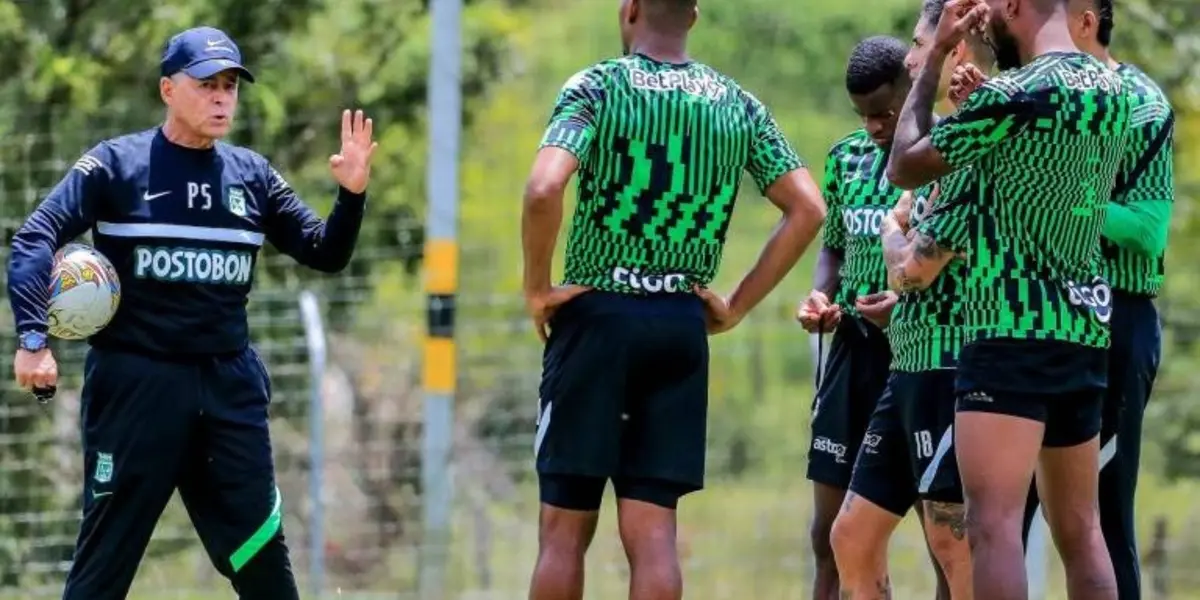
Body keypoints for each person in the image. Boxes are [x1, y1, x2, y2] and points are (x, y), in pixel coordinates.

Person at [7, 26, 376, 600]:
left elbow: (325, 252)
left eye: (230, 85)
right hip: (137, 388)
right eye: (206, 84)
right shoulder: (115, 165)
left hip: (227, 390)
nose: (221, 97)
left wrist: (351, 196)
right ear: (167, 90)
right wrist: (33, 339)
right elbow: (34, 238)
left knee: (264, 567)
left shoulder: (252, 176)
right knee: (101, 572)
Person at [521, 0, 827, 598]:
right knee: (654, 532)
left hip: (596, 318)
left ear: (630, 9)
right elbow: (808, 208)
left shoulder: (598, 86)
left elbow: (542, 188)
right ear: (694, 16)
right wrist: (734, 304)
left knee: (563, 528)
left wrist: (537, 287)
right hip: (679, 327)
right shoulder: (735, 103)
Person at [884, 0, 1131, 598]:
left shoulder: (1014, 94)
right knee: (1082, 528)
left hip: (1008, 330)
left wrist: (937, 54)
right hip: (1083, 328)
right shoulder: (1113, 89)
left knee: (992, 526)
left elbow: (904, 167)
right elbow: (1036, 162)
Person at [830, 2, 995, 597]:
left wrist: (893, 232)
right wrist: (900, 232)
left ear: (958, 50)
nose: (912, 60)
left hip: (950, 369)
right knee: (851, 536)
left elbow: (911, 270)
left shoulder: (976, 149)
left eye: (922, 48)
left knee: (954, 547)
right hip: (908, 366)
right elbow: (908, 231)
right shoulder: (940, 143)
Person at [1017, 1, 1174, 598]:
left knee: (1103, 516)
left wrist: (1074, 205)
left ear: (1087, 21)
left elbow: (1149, 231)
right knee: (999, 508)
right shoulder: (1030, 93)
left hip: (1115, 318)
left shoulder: (1141, 104)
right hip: (1032, 314)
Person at [793, 35, 907, 600]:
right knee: (829, 535)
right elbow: (833, 247)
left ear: (913, 87)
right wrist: (819, 298)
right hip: (851, 353)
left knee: (947, 537)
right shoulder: (846, 157)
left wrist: (903, 308)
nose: (874, 127)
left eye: (884, 113)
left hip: (917, 355)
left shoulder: (938, 157)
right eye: (863, 115)